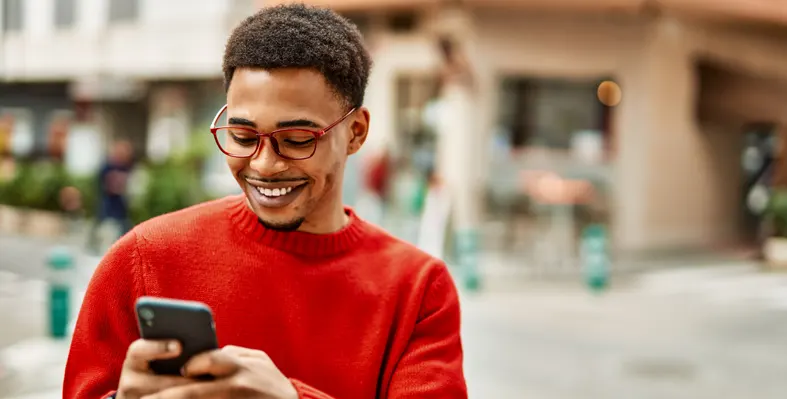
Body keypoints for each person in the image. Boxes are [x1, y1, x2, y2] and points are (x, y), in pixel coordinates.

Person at [63, 4, 467, 399]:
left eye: (296, 140)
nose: (265, 164)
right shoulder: (144, 257)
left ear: (356, 132)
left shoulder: (418, 290)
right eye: (242, 137)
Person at [87, 139, 135, 253]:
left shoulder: (126, 168)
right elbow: (105, 185)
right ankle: (93, 246)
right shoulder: (107, 166)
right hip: (107, 205)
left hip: (121, 207)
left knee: (124, 229)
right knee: (100, 225)